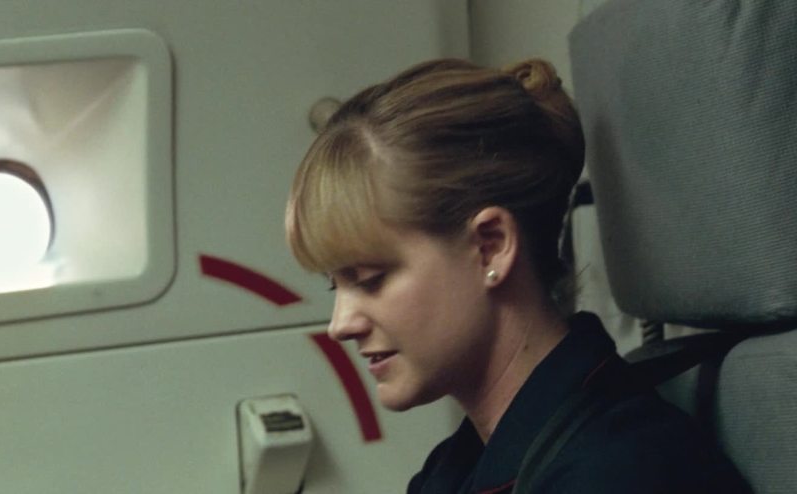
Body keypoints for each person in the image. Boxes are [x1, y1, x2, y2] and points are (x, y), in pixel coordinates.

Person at [285, 58, 751, 493]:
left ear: (490, 246)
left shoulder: (620, 470)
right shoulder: (455, 469)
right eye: (335, 284)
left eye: (370, 279)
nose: (340, 324)